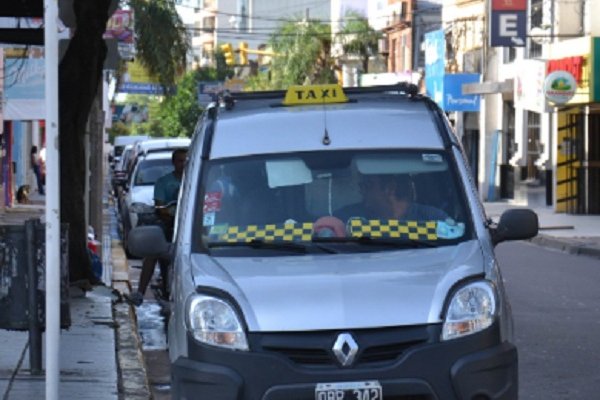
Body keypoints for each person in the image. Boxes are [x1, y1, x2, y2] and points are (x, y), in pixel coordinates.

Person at [125, 148, 188, 307]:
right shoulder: (164, 182)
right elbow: (160, 206)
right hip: (168, 223)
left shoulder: (194, 181)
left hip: (189, 226)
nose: (183, 164)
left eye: (186, 161)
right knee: (152, 253)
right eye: (180, 161)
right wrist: (169, 212)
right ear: (174, 163)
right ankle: (140, 292)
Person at [335, 174, 447, 223]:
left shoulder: (434, 219)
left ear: (390, 188)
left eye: (368, 185)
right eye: (362, 186)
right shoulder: (347, 217)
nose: (362, 191)